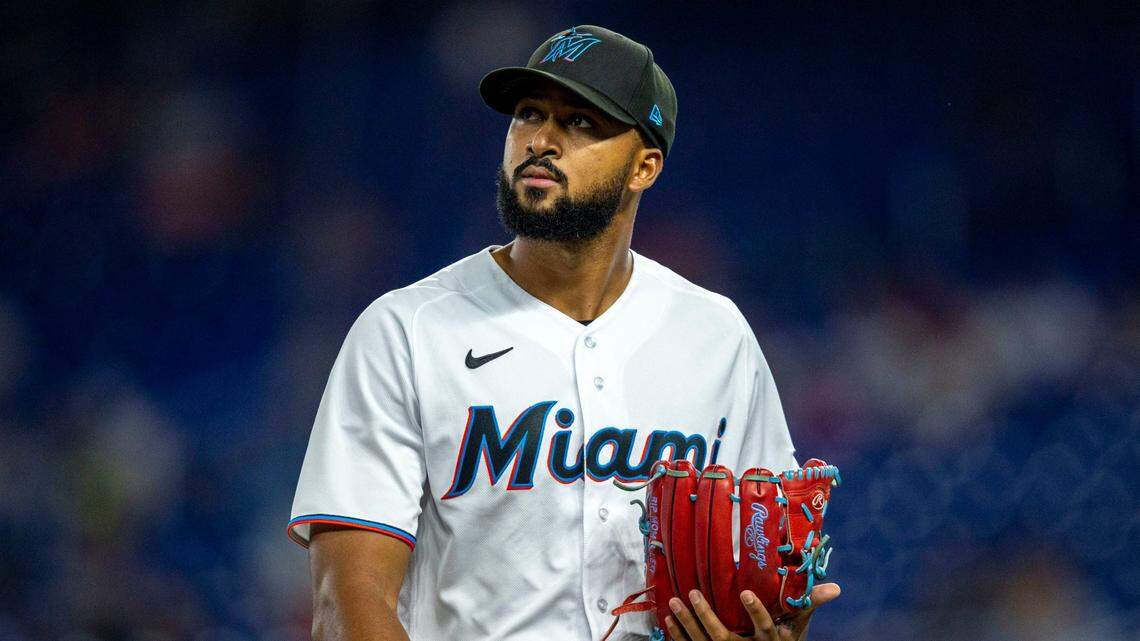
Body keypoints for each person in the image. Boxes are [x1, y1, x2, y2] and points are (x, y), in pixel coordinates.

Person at [287, 24, 838, 641]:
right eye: (528, 114)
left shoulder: (718, 337)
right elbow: (347, 604)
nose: (539, 140)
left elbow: (763, 572)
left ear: (644, 165)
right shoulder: (404, 332)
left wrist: (772, 625)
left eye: (579, 122)